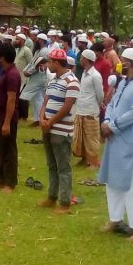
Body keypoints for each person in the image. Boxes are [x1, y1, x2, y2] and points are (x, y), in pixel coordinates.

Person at [98, 47, 133, 242]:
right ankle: (115, 219)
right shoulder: (123, 83)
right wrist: (106, 121)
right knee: (113, 179)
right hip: (114, 137)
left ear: (129, 63)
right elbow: (113, 103)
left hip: (130, 139)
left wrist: (113, 126)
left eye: (122, 59)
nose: (119, 62)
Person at [39, 48, 80, 215]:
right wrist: (42, 119)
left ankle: (64, 202)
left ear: (56, 63)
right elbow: (45, 102)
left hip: (61, 130)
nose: (48, 65)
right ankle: (52, 196)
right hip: (49, 127)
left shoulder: (72, 81)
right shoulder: (53, 80)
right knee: (51, 164)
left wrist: (50, 121)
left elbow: (67, 106)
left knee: (63, 167)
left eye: (50, 62)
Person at [0, 42, 21, 191]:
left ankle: (10, 182)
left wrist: (7, 123)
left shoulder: (13, 75)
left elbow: (11, 99)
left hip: (5, 117)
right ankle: (0, 177)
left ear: (4, 57)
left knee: (8, 150)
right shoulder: (5, 71)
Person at [72, 48, 104, 169]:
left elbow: (100, 95)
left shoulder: (95, 75)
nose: (80, 59)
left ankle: (94, 162)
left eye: (82, 57)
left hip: (90, 110)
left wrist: (97, 104)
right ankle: (85, 159)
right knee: (81, 137)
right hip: (81, 109)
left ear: (87, 59)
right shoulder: (85, 74)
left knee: (91, 137)